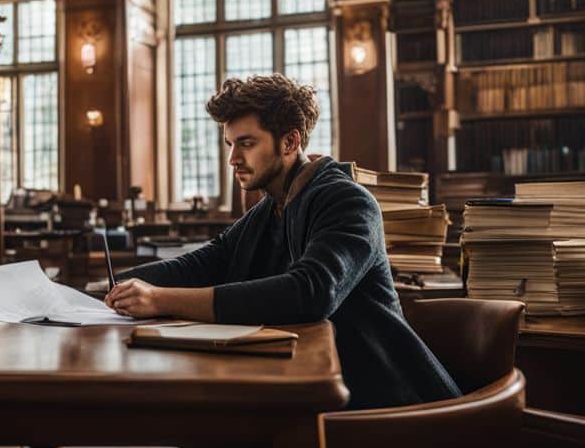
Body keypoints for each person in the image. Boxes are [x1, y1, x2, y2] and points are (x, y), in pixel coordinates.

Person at [106, 74, 460, 410]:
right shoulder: (270, 209)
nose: (233, 159)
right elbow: (201, 264)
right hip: (324, 394)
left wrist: (159, 298)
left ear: (289, 142)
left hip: (389, 407)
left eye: (246, 143)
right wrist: (110, 288)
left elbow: (310, 293)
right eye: (230, 145)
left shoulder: (348, 201)